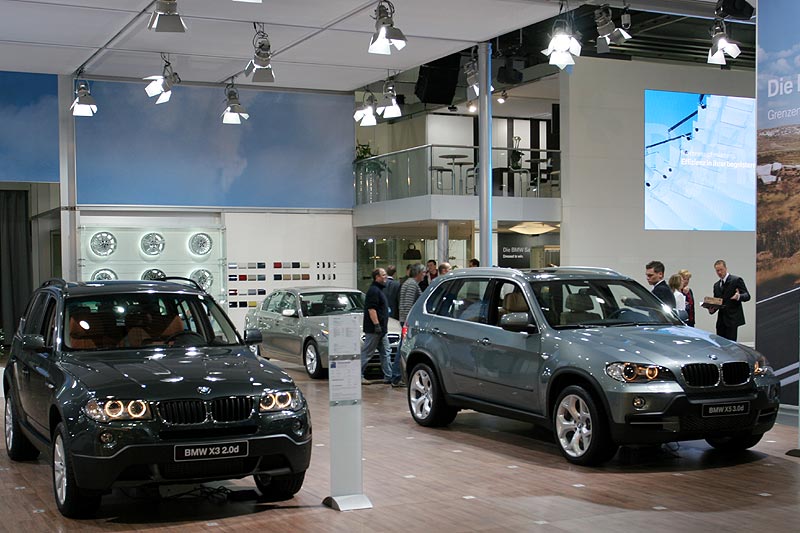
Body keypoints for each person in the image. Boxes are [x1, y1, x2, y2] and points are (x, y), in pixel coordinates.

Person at [391, 263, 425, 387]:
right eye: (423, 272)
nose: (424, 275)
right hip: (408, 321)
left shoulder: (408, 283)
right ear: (419, 273)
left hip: (405, 320)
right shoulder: (412, 285)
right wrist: (409, 322)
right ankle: (396, 376)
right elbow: (409, 305)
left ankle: (397, 376)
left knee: (404, 347)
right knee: (404, 348)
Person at [361, 268, 392, 384]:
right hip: (374, 330)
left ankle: (389, 376)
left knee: (386, 352)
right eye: (383, 275)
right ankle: (358, 375)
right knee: (367, 353)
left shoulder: (379, 290)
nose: (386, 277)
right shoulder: (373, 291)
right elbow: (371, 309)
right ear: (377, 277)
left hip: (381, 330)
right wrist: (377, 325)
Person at [708, 259, 750, 341]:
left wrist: (739, 296)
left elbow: (747, 296)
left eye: (721, 270)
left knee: (731, 344)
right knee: (720, 344)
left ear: (726, 269)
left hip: (732, 319)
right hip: (721, 321)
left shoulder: (736, 280)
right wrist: (712, 309)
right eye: (717, 271)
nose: (719, 272)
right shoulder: (716, 285)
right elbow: (718, 302)